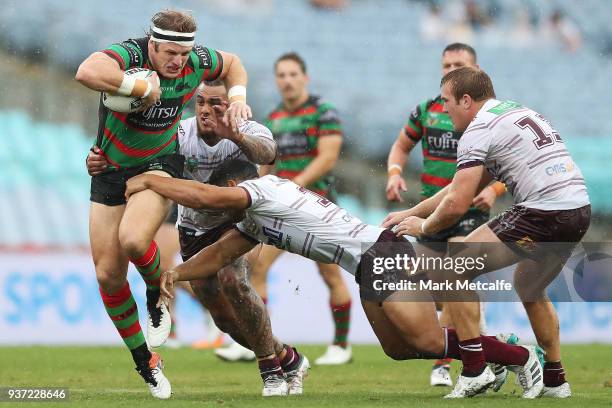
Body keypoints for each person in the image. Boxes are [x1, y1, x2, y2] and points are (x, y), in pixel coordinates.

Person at [125, 158, 544, 400]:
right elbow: (217, 254)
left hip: (381, 252)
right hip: (364, 266)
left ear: (235, 184)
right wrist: (176, 273)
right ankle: (493, 351)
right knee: (399, 350)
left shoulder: (264, 190)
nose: (220, 214)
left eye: (225, 201)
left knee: (429, 342)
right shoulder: (255, 221)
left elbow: (206, 197)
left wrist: (151, 181)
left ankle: (520, 357)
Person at [88, 81, 309, 397]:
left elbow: (269, 153)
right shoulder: (179, 134)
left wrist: (235, 134)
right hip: (193, 232)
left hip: (239, 225)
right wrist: (100, 161)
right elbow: (138, 156)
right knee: (224, 319)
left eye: (216, 103)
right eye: (201, 102)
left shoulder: (248, 130)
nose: (206, 110)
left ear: (230, 105)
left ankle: (270, 372)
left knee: (233, 281)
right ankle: (287, 357)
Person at [75, 9, 251, 399]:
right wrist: (140, 89)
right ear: (151, 45)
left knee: (135, 241)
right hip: (109, 169)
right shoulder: (130, 55)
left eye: (182, 55)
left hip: (159, 166)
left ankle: (158, 291)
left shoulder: (198, 60)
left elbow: (234, 64)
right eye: (168, 52)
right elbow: (86, 71)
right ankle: (146, 362)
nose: (176, 62)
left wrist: (237, 98)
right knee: (107, 275)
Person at [385, 66, 590, 398]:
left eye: (447, 101)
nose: (443, 108)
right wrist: (411, 212)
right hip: (577, 210)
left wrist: (422, 226)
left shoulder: (478, 129)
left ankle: (474, 369)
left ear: (466, 100)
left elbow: (456, 203)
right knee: (530, 285)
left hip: (542, 211)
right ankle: (555, 380)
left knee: (452, 267)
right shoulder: (513, 112)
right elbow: (458, 187)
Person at [386, 42, 505, 386]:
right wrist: (394, 172)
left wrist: (493, 189)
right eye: (446, 64)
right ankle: (492, 350)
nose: (451, 69)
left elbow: (506, 163)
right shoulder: (426, 110)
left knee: (453, 275)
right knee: (437, 289)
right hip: (430, 209)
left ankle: (445, 362)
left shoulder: (485, 116)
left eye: (459, 63)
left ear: (476, 69)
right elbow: (401, 146)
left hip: (465, 212)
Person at [248, 52, 352, 365]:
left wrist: (296, 186)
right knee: (258, 268)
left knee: (330, 274)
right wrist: (255, 191)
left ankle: (341, 346)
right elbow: (268, 162)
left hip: (319, 207)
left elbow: (328, 158)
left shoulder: (323, 112)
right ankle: (260, 342)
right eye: (282, 75)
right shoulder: (274, 117)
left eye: (293, 74)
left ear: (305, 78)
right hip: (283, 209)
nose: (287, 80)